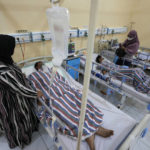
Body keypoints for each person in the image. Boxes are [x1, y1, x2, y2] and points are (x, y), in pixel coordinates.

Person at [28, 62, 114, 150]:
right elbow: (34, 90)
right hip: (53, 97)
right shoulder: (33, 75)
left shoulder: (51, 70)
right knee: (67, 112)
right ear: (37, 67)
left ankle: (94, 130)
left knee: (83, 104)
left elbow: (62, 80)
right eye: (39, 64)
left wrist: (68, 88)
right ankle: (93, 135)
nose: (42, 64)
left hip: (65, 90)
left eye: (42, 63)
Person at [0, 34, 43, 148]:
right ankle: (21, 140)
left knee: (25, 116)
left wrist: (20, 74)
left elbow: (14, 71)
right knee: (17, 121)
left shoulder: (6, 59)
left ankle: (30, 129)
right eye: (12, 47)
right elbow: (18, 88)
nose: (13, 49)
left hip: (20, 95)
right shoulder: (2, 70)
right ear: (5, 48)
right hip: (12, 101)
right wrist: (35, 94)